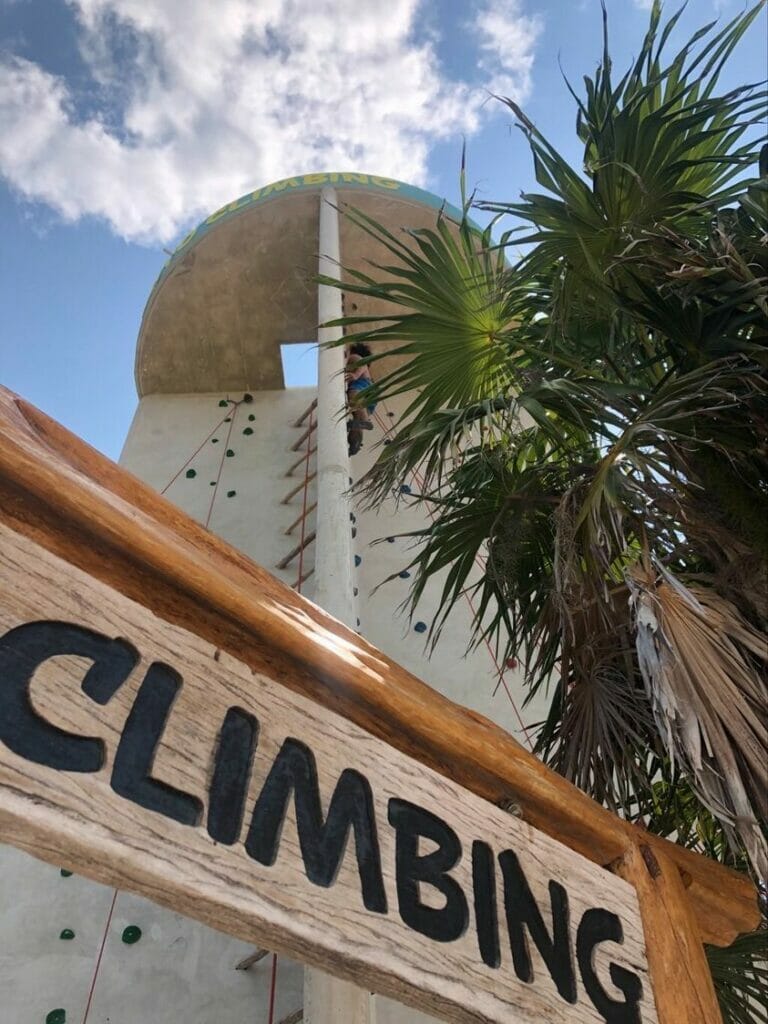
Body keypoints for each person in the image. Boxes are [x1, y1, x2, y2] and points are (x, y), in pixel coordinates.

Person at [345, 343, 376, 430]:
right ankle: (355, 443)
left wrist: (356, 374)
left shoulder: (354, 357)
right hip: (370, 394)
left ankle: (365, 421)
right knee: (357, 420)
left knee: (353, 393)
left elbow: (362, 364)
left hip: (363, 385)